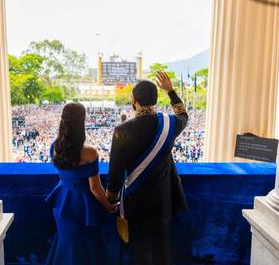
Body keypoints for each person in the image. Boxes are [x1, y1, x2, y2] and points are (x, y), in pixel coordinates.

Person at [107, 71, 189, 265]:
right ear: (155, 99)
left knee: (141, 251)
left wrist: (111, 199)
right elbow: (183, 114)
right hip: (163, 200)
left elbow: (116, 171)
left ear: (133, 100)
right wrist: (171, 91)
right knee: (163, 250)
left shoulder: (122, 130)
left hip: (136, 202)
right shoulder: (170, 124)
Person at [45, 102, 118, 265]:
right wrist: (109, 206)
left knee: (66, 243)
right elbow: (95, 188)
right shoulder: (89, 153)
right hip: (83, 206)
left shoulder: (55, 147)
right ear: (82, 122)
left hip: (62, 201)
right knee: (87, 246)